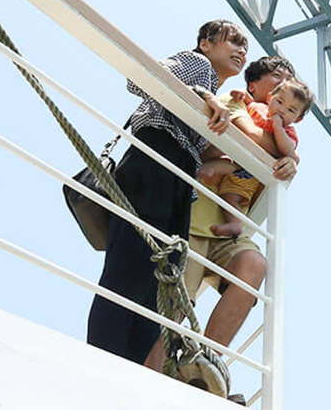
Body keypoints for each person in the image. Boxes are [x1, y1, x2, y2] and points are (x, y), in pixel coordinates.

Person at [87, 19, 247, 365]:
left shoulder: (215, 98)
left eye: (245, 46)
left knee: (157, 287)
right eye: (233, 41)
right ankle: (101, 364)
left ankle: (128, 371)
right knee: (129, 273)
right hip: (153, 161)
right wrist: (205, 96)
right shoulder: (197, 63)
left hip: (177, 178)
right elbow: (139, 78)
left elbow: (201, 152)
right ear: (205, 43)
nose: (241, 50)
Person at [144, 56, 303, 370]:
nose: (283, 84)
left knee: (253, 264)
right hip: (195, 222)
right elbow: (253, 138)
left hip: (231, 229)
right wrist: (291, 157)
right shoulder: (233, 103)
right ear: (254, 86)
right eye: (276, 77)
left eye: (288, 80)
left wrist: (291, 158)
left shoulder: (282, 132)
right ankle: (150, 374)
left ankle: (204, 363)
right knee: (177, 303)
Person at [208, 78, 312, 237]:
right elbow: (248, 103)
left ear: (297, 119)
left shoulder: (288, 132)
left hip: (249, 171)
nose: (282, 110)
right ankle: (202, 170)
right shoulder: (259, 107)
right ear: (270, 98)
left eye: (291, 110)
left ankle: (234, 224)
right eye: (279, 102)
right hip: (234, 155)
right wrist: (242, 94)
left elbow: (287, 149)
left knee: (230, 196)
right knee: (218, 163)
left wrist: (278, 128)